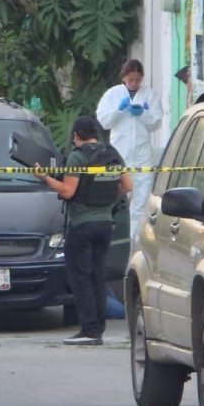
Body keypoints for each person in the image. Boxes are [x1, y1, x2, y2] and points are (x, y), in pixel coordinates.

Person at [34, 116, 132, 345]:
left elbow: (68, 191)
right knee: (98, 276)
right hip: (106, 224)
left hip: (82, 225)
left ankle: (88, 330)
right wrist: (105, 200)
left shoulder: (78, 156)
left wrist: (45, 178)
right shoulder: (112, 153)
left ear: (76, 135)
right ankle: (98, 328)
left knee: (80, 278)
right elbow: (127, 186)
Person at [96, 60, 162, 242]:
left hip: (142, 154)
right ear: (124, 77)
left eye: (138, 80)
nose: (134, 84)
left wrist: (143, 114)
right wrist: (119, 110)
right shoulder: (113, 95)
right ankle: (114, 238)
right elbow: (104, 121)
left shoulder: (149, 95)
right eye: (131, 80)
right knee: (117, 198)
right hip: (120, 154)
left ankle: (133, 242)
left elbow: (156, 122)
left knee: (141, 201)